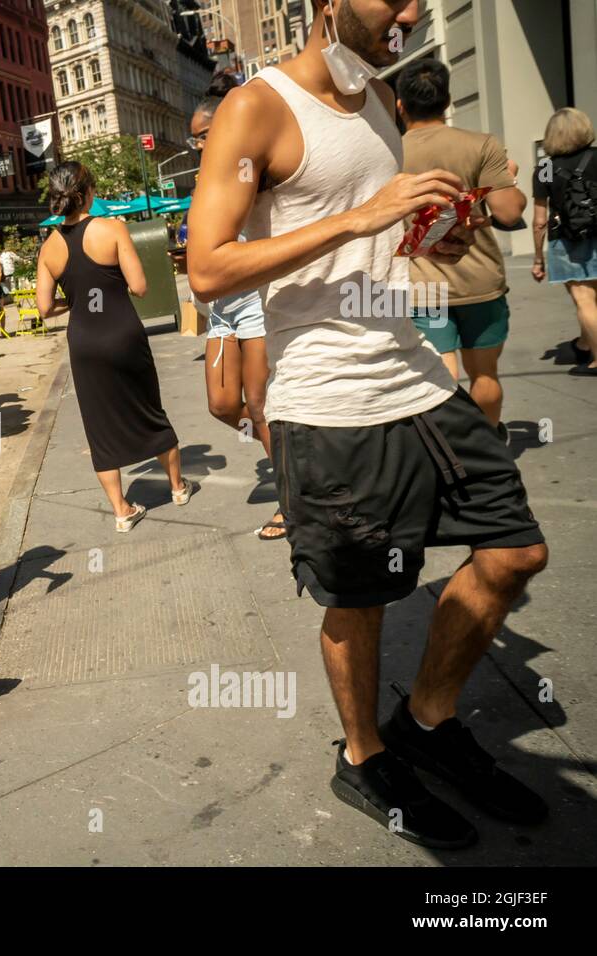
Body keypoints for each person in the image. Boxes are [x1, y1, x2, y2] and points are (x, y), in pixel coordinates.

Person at [188, 0, 548, 849]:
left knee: (515, 550)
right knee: (363, 600)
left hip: (414, 374)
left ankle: (427, 722)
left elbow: (381, 245)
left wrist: (433, 237)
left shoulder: (380, 99)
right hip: (328, 399)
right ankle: (365, 754)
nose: (415, 11)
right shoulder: (257, 106)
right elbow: (206, 266)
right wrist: (361, 216)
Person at [36, 161, 194, 533]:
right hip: (123, 332)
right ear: (89, 191)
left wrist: (73, 301)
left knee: (98, 425)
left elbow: (45, 309)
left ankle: (122, 510)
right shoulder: (113, 229)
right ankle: (177, 487)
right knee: (149, 408)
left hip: (85, 343)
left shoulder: (49, 247)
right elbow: (139, 286)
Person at [397, 57, 527, 433]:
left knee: (442, 376)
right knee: (485, 375)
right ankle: (488, 445)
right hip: (480, 281)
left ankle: (454, 451)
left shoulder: (390, 152)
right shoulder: (481, 145)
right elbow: (506, 211)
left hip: (424, 287)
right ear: (448, 102)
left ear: (401, 105)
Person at [189, 73, 286, 541]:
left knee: (261, 405)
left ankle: (293, 497)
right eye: (195, 140)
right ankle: (289, 455)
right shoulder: (207, 175)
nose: (198, 146)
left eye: (204, 136)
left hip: (256, 302)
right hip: (222, 308)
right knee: (223, 404)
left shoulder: (250, 168)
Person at [530, 106, 597, 373]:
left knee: (584, 298)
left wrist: (538, 259)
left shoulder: (546, 167)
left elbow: (539, 220)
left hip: (567, 241)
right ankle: (583, 343)